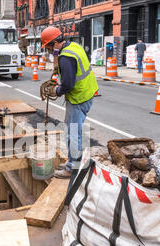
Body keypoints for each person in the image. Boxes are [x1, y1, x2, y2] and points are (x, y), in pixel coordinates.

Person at [40, 26, 98, 179]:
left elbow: (68, 85)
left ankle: (72, 167)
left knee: (72, 134)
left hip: (78, 98)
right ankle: (73, 161)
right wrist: (56, 71)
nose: (48, 51)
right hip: (87, 93)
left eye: (48, 47)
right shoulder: (73, 47)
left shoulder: (66, 57)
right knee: (75, 132)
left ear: (54, 43)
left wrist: (56, 91)